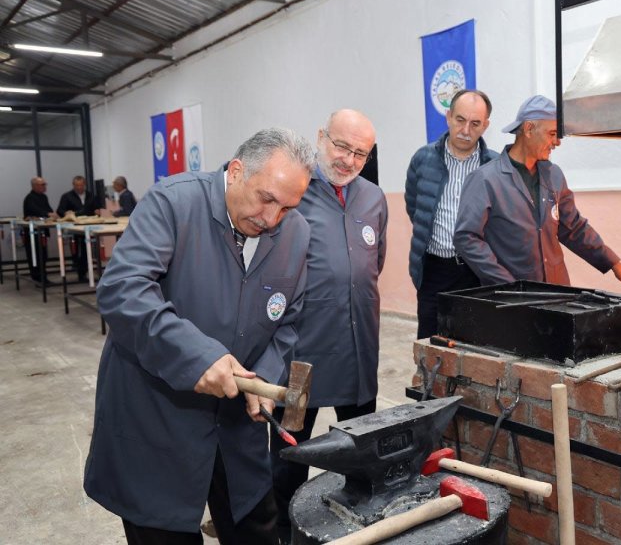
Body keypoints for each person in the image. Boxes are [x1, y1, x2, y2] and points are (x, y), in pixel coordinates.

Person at [83, 128, 316, 545]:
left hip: (236, 430)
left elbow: (289, 321)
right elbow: (123, 289)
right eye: (266, 199)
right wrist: (196, 355)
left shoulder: (295, 233)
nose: (271, 219)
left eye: (287, 207)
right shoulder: (173, 203)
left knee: (256, 529)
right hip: (157, 418)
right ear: (237, 171)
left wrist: (262, 377)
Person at [269, 110, 386, 545]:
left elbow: (373, 264)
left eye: (360, 152)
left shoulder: (374, 198)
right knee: (290, 447)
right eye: (341, 146)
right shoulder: (295, 191)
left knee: (361, 445)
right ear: (321, 137)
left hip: (358, 348)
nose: (349, 159)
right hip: (301, 355)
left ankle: (355, 521)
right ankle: (283, 529)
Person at [454, 95, 621, 292]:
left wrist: (614, 264)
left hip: (557, 293)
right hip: (510, 300)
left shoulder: (554, 175)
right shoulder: (485, 179)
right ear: (528, 129)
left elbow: (574, 228)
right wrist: (506, 284)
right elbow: (466, 237)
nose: (557, 142)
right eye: (552, 133)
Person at [405, 89, 497, 339]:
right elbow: (415, 208)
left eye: (475, 123)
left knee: (477, 344)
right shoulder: (422, 159)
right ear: (448, 117)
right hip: (434, 271)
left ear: (485, 125)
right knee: (430, 345)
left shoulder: (495, 166)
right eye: (460, 120)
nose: (466, 130)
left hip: (477, 273)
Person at [22, 177, 58, 281]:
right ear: (35, 186)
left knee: (43, 255)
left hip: (42, 231)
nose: (45, 186)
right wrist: (47, 214)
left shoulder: (43, 197)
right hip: (32, 233)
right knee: (35, 255)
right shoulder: (30, 198)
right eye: (43, 184)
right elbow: (35, 210)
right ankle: (38, 277)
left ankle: (42, 276)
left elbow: (48, 209)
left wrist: (52, 214)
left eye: (45, 184)